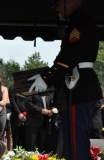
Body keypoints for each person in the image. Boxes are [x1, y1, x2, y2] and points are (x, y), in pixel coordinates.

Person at [28, 0, 103, 159]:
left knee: (76, 143)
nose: (57, 10)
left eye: (58, 5)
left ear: (70, 2)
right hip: (76, 86)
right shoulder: (77, 22)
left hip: (78, 88)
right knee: (71, 142)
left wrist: (46, 78)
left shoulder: (80, 22)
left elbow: (69, 58)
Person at [8, 85, 27, 149]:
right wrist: (19, 113)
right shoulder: (12, 88)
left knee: (25, 139)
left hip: (27, 115)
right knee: (16, 139)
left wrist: (26, 114)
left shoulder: (28, 87)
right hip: (16, 115)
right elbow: (12, 102)